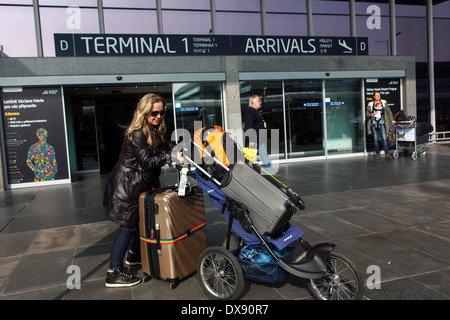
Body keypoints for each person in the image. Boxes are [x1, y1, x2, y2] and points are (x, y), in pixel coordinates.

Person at [103, 93, 179, 287]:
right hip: (127, 186)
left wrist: (179, 148)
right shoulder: (138, 132)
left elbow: (165, 146)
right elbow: (146, 161)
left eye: (162, 112)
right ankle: (113, 272)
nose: (158, 116)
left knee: (139, 223)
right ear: (144, 112)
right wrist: (171, 156)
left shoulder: (155, 129)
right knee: (127, 229)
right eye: (154, 113)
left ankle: (134, 256)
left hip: (137, 185)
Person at [243, 95, 279, 177]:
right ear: (253, 102)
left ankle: (271, 173)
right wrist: (251, 139)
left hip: (259, 139)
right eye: (259, 100)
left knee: (264, 156)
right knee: (252, 158)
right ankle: (251, 175)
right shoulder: (250, 111)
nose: (260, 102)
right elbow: (249, 126)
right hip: (254, 139)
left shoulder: (255, 111)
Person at [366, 91, 396, 160]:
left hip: (381, 123)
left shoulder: (384, 102)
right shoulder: (370, 104)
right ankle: (377, 154)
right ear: (373, 96)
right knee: (375, 139)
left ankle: (387, 154)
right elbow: (367, 114)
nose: (377, 96)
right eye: (376, 95)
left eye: (378, 95)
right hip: (373, 124)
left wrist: (392, 120)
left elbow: (388, 111)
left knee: (384, 138)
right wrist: (372, 114)